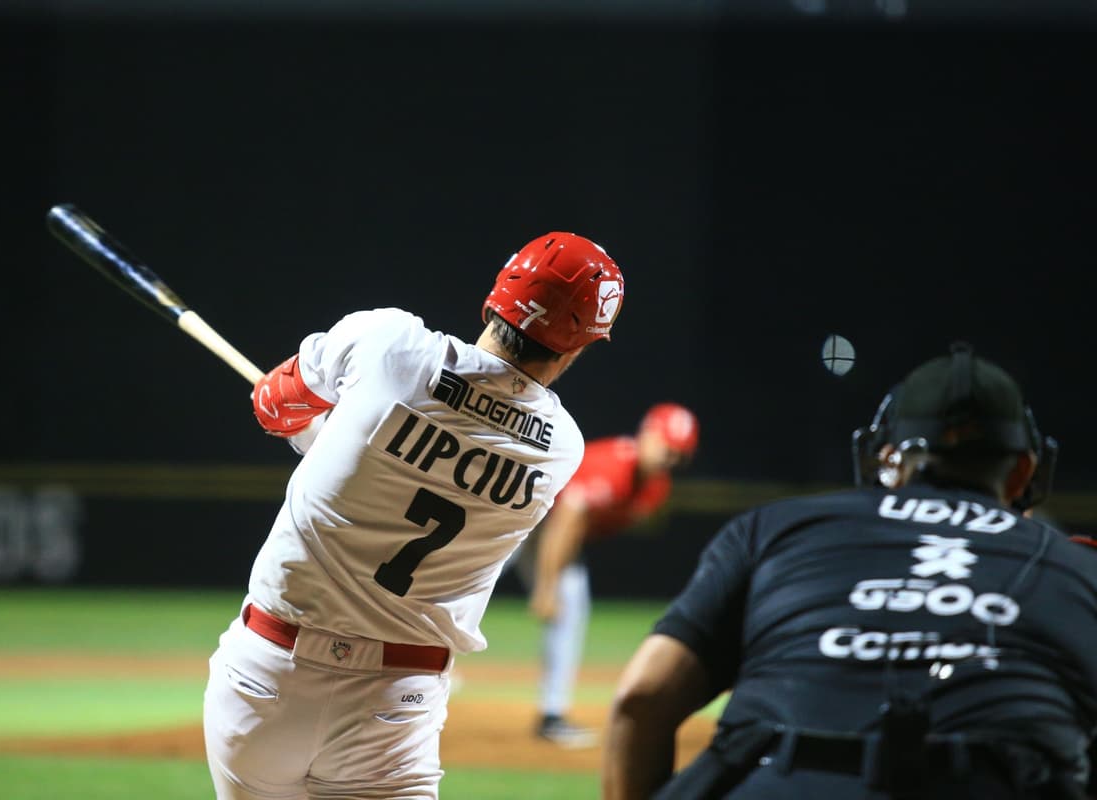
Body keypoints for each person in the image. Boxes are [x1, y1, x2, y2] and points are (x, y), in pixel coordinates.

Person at [202, 232, 625, 800]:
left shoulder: (387, 340)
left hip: (264, 674)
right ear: (577, 346)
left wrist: (320, 430)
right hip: (395, 701)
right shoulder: (560, 448)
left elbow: (275, 407)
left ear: (496, 296)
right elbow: (437, 459)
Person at [603, 341, 1097, 800]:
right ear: (1023, 471)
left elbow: (640, 698)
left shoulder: (776, 528)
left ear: (886, 459)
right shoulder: (1077, 565)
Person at [513, 402, 700, 748]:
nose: (668, 459)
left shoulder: (656, 486)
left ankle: (552, 715)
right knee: (463, 588)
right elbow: (566, 521)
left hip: (544, 526)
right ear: (646, 434)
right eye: (665, 446)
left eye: (678, 454)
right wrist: (546, 588)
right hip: (516, 514)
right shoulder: (615, 465)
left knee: (572, 606)